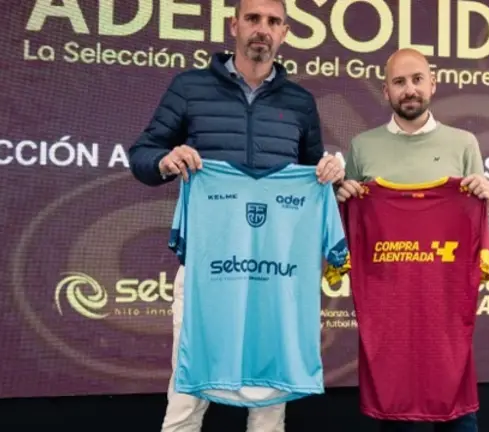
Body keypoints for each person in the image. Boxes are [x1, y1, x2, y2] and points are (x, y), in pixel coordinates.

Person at [127, 0, 344, 430]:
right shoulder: (189, 87)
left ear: (284, 32)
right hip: (208, 269)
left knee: (270, 402)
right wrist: (165, 161)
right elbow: (141, 155)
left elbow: (312, 175)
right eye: (253, 18)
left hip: (274, 272)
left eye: (273, 21)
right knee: (187, 395)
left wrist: (332, 174)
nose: (263, 28)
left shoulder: (300, 102)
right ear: (234, 25)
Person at [335, 48, 489, 432]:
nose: (409, 89)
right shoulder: (362, 146)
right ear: (386, 91)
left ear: (432, 84)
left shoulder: (464, 143)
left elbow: (481, 224)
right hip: (389, 306)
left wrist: (487, 200)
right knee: (397, 417)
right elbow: (351, 228)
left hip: (444, 303)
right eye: (399, 82)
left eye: (417, 79)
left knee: (458, 414)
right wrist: (343, 200)